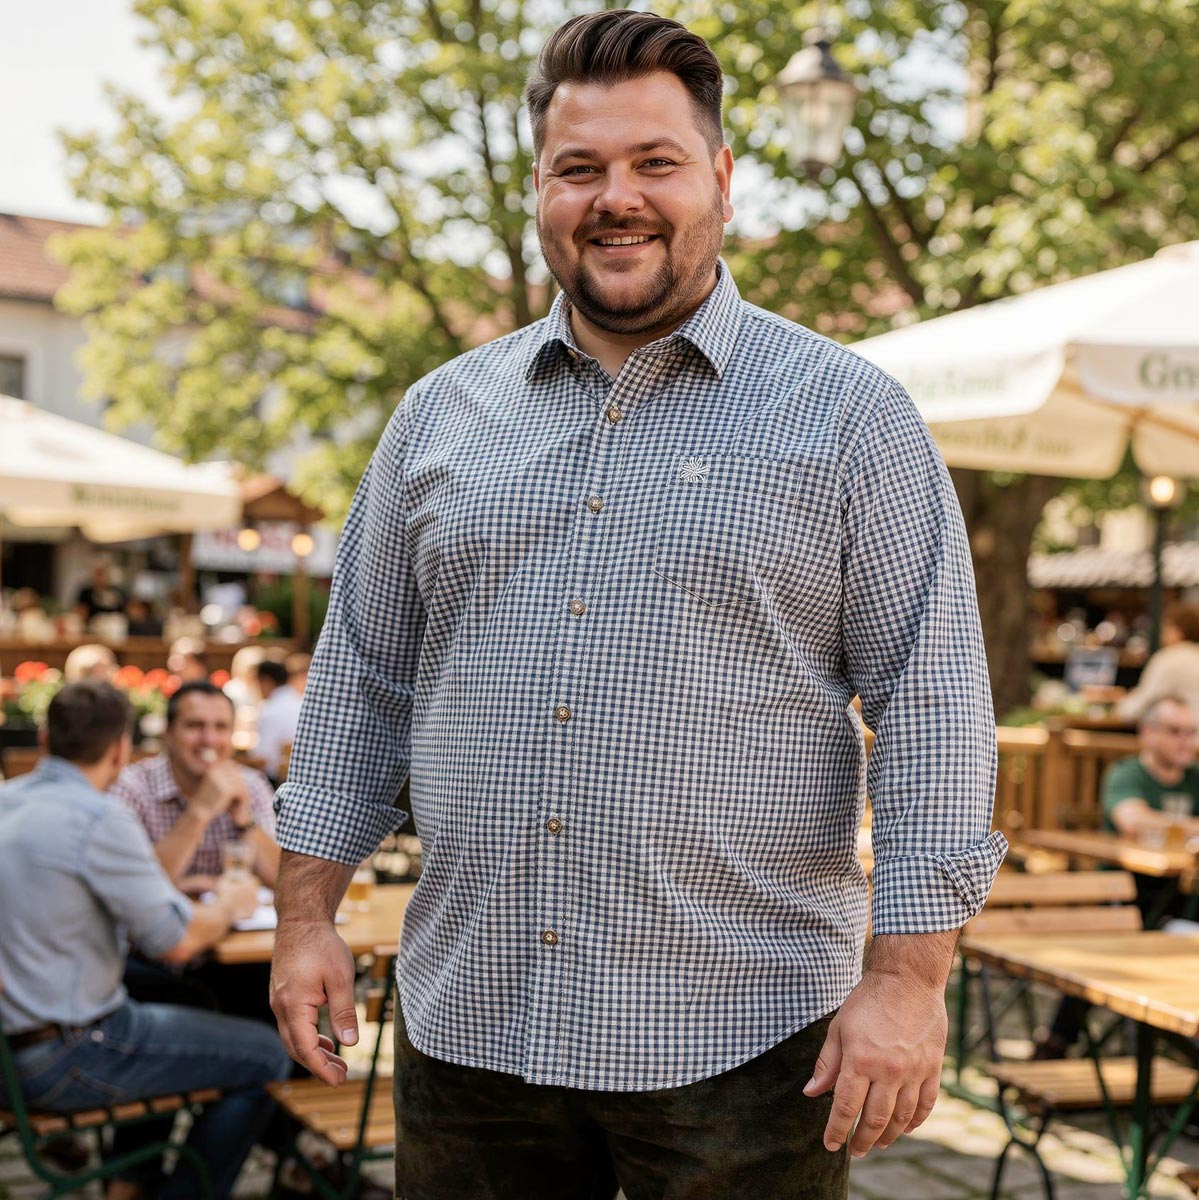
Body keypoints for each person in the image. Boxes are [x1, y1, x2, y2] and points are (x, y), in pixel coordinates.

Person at [268, 12, 1004, 1200]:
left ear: (719, 176)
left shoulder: (849, 418)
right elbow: (360, 681)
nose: (617, 197)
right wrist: (304, 916)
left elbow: (932, 707)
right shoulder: (438, 415)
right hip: (472, 1031)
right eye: (580, 168)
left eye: (653, 162)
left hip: (749, 1046)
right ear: (541, 195)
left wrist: (909, 979)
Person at [0, 681, 291, 1200]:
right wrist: (230, 904)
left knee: (188, 1015)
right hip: (67, 1051)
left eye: (221, 727)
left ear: (45, 739)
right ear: (123, 748)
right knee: (267, 1054)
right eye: (195, 726)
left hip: (15, 1046)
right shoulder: (102, 814)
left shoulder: (7, 799)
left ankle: (135, 1182)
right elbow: (174, 943)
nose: (209, 739)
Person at [1035, 696, 1199, 1059]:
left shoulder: (1194, 778)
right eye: (1175, 732)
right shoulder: (1127, 774)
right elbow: (1133, 820)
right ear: (1148, 734)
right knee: (1101, 953)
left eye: (1191, 733)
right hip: (1124, 892)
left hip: (1181, 898)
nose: (1186, 741)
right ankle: (1057, 1043)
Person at [1116, 604, 1199, 725]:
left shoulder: (1170, 657)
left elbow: (1139, 705)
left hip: (1185, 736)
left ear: (1176, 630)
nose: (1162, 636)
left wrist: (1118, 706)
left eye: (1165, 629)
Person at [255, 658, 303, 785]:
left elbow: (263, 760)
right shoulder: (301, 702)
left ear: (266, 681)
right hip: (301, 780)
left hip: (277, 784)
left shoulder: (270, 710)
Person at [74, 559, 127, 624]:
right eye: (97, 574)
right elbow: (81, 611)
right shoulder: (86, 592)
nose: (100, 578)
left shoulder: (117, 592)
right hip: (93, 624)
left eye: (102, 574)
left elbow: (124, 611)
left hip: (114, 624)